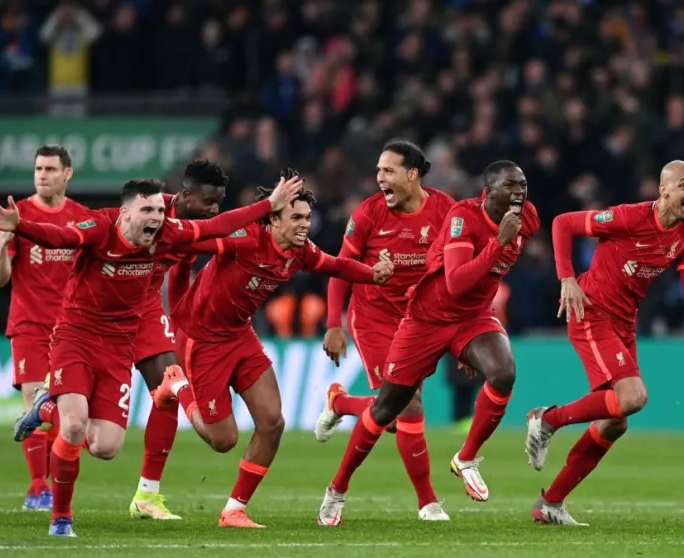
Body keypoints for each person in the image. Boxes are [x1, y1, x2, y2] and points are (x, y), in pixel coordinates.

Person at [0, 174, 303, 537]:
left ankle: (60, 415)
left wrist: (268, 204)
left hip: (126, 330)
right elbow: (62, 236)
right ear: (126, 213)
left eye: (160, 211)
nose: (156, 217)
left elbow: (216, 226)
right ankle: (61, 518)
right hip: (78, 335)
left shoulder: (169, 231)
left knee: (106, 447)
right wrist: (21, 226)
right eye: (148, 210)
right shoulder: (100, 227)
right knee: (73, 427)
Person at [524, 160, 684, 526]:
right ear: (664, 190)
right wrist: (567, 277)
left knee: (615, 423)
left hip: (624, 323)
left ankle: (551, 503)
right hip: (591, 312)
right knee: (634, 398)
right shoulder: (629, 218)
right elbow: (562, 223)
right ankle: (548, 419)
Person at [155, 172, 394, 529]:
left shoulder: (300, 253)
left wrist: (372, 273)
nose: (304, 225)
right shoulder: (244, 239)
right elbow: (195, 240)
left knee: (272, 422)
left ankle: (234, 510)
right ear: (274, 218)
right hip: (201, 341)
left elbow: (334, 264)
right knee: (224, 440)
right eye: (296, 217)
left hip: (241, 336)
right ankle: (176, 386)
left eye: (308, 218)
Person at [316, 160, 540, 526]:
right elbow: (456, 282)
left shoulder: (526, 218)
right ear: (488, 191)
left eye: (523, 185)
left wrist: (471, 345)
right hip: (425, 318)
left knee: (503, 373)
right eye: (510, 186)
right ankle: (337, 488)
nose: (519, 193)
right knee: (388, 411)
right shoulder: (463, 218)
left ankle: (464, 459)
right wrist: (498, 242)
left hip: (472, 317)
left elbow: (485, 282)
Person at [315, 140, 456, 521]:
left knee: (394, 416)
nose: (380, 178)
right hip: (374, 318)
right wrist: (334, 324)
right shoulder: (368, 215)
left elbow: (458, 269)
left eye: (388, 171)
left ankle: (340, 402)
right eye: (378, 171)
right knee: (405, 406)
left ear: (412, 175)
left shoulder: (446, 210)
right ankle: (427, 502)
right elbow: (341, 267)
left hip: (420, 322)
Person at [0, 145, 88, 512]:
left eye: (49, 169)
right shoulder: (19, 216)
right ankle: (37, 488)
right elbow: (0, 279)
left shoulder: (81, 218)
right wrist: (1, 246)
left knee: (64, 415)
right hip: (29, 324)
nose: (42, 175)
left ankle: (46, 481)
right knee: (35, 400)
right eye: (38, 169)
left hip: (72, 330)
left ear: (67, 174)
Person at [127, 160, 228, 521]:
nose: (215, 210)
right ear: (185, 195)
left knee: (168, 387)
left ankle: (147, 495)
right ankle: (49, 402)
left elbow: (182, 267)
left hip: (148, 308)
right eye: (209, 202)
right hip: (106, 307)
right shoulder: (150, 212)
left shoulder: (194, 229)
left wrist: (180, 317)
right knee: (97, 438)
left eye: (219, 203)